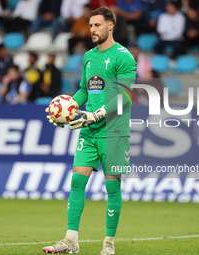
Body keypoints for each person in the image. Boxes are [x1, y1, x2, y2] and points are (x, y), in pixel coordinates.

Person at [42, 6, 136, 254]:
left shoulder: (124, 56)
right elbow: (85, 90)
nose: (92, 30)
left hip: (114, 132)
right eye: (90, 25)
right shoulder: (88, 57)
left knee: (112, 187)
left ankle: (109, 244)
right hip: (90, 131)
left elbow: (125, 96)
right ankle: (71, 241)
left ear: (110, 26)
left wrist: (98, 114)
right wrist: (64, 109)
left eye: (97, 25)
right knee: (76, 181)